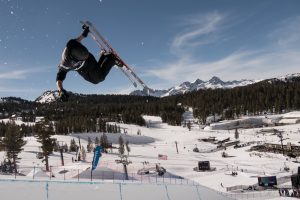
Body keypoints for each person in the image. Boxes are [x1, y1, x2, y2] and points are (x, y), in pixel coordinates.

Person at [56, 25, 123, 101]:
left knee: (99, 78)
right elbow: (59, 79)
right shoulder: (65, 64)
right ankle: (104, 56)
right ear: (74, 59)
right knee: (94, 81)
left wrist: (85, 33)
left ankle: (111, 59)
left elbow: (78, 39)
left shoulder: (71, 44)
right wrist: (60, 91)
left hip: (89, 60)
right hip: (81, 69)